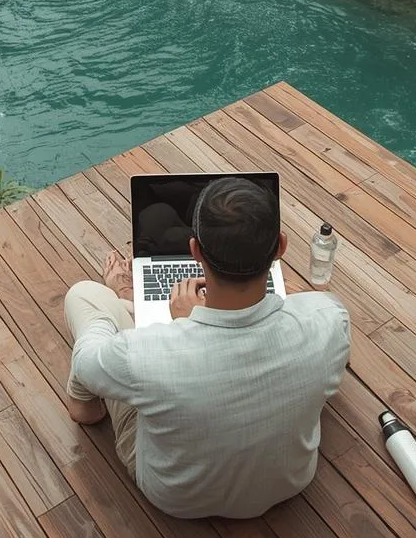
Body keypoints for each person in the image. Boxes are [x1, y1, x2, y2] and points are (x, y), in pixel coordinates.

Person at [62, 176, 351, 519]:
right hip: (291, 480)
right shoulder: (328, 319)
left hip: (177, 497)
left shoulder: (145, 353)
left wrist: (184, 325)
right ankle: (131, 302)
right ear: (280, 247)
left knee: (84, 294)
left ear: (195, 251)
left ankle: (127, 299)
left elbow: (86, 363)